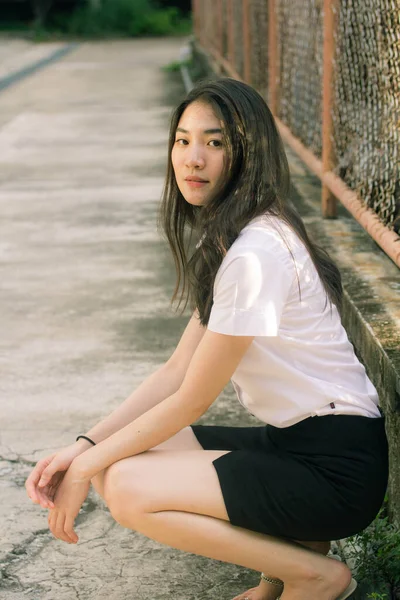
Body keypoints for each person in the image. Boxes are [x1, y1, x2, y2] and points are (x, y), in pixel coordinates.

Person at [25, 78, 388, 600]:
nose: (193, 158)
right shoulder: (237, 236)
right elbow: (175, 372)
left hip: (335, 470)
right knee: (118, 459)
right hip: (301, 445)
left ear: (249, 152)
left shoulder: (256, 255)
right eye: (183, 139)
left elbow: (193, 397)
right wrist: (84, 446)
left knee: (125, 486)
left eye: (215, 143)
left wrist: (86, 467)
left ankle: (315, 577)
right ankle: (287, 569)